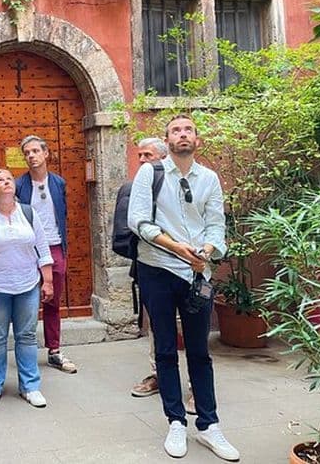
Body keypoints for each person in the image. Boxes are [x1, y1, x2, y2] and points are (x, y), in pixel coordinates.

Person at [128, 115, 239, 461]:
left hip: (197, 274)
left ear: (197, 139)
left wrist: (205, 253)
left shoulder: (209, 179)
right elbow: (139, 221)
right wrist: (177, 247)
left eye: (188, 129)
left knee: (199, 352)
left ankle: (208, 424)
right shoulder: (150, 172)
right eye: (176, 130)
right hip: (158, 270)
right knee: (164, 348)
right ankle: (176, 421)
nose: (182, 134)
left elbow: (216, 226)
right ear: (168, 139)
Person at [0, 168, 54, 408]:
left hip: (27, 286)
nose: (5, 182)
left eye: (8, 179)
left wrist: (47, 281)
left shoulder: (29, 213)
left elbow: (42, 249)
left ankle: (31, 386)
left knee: (26, 336)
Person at [14, 135, 77, 373]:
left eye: (35, 151)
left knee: (53, 301)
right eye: (27, 153)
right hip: (28, 250)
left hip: (54, 247)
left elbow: (62, 215)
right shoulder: (20, 185)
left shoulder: (58, 183)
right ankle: (25, 350)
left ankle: (54, 350)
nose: (31, 156)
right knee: (26, 302)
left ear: (46, 153)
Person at [127, 138, 169, 398]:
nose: (142, 160)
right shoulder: (138, 187)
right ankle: (159, 376)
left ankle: (193, 386)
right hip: (149, 265)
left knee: (187, 328)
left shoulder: (179, 183)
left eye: (148, 155)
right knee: (156, 324)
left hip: (183, 264)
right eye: (140, 155)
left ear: (163, 158)